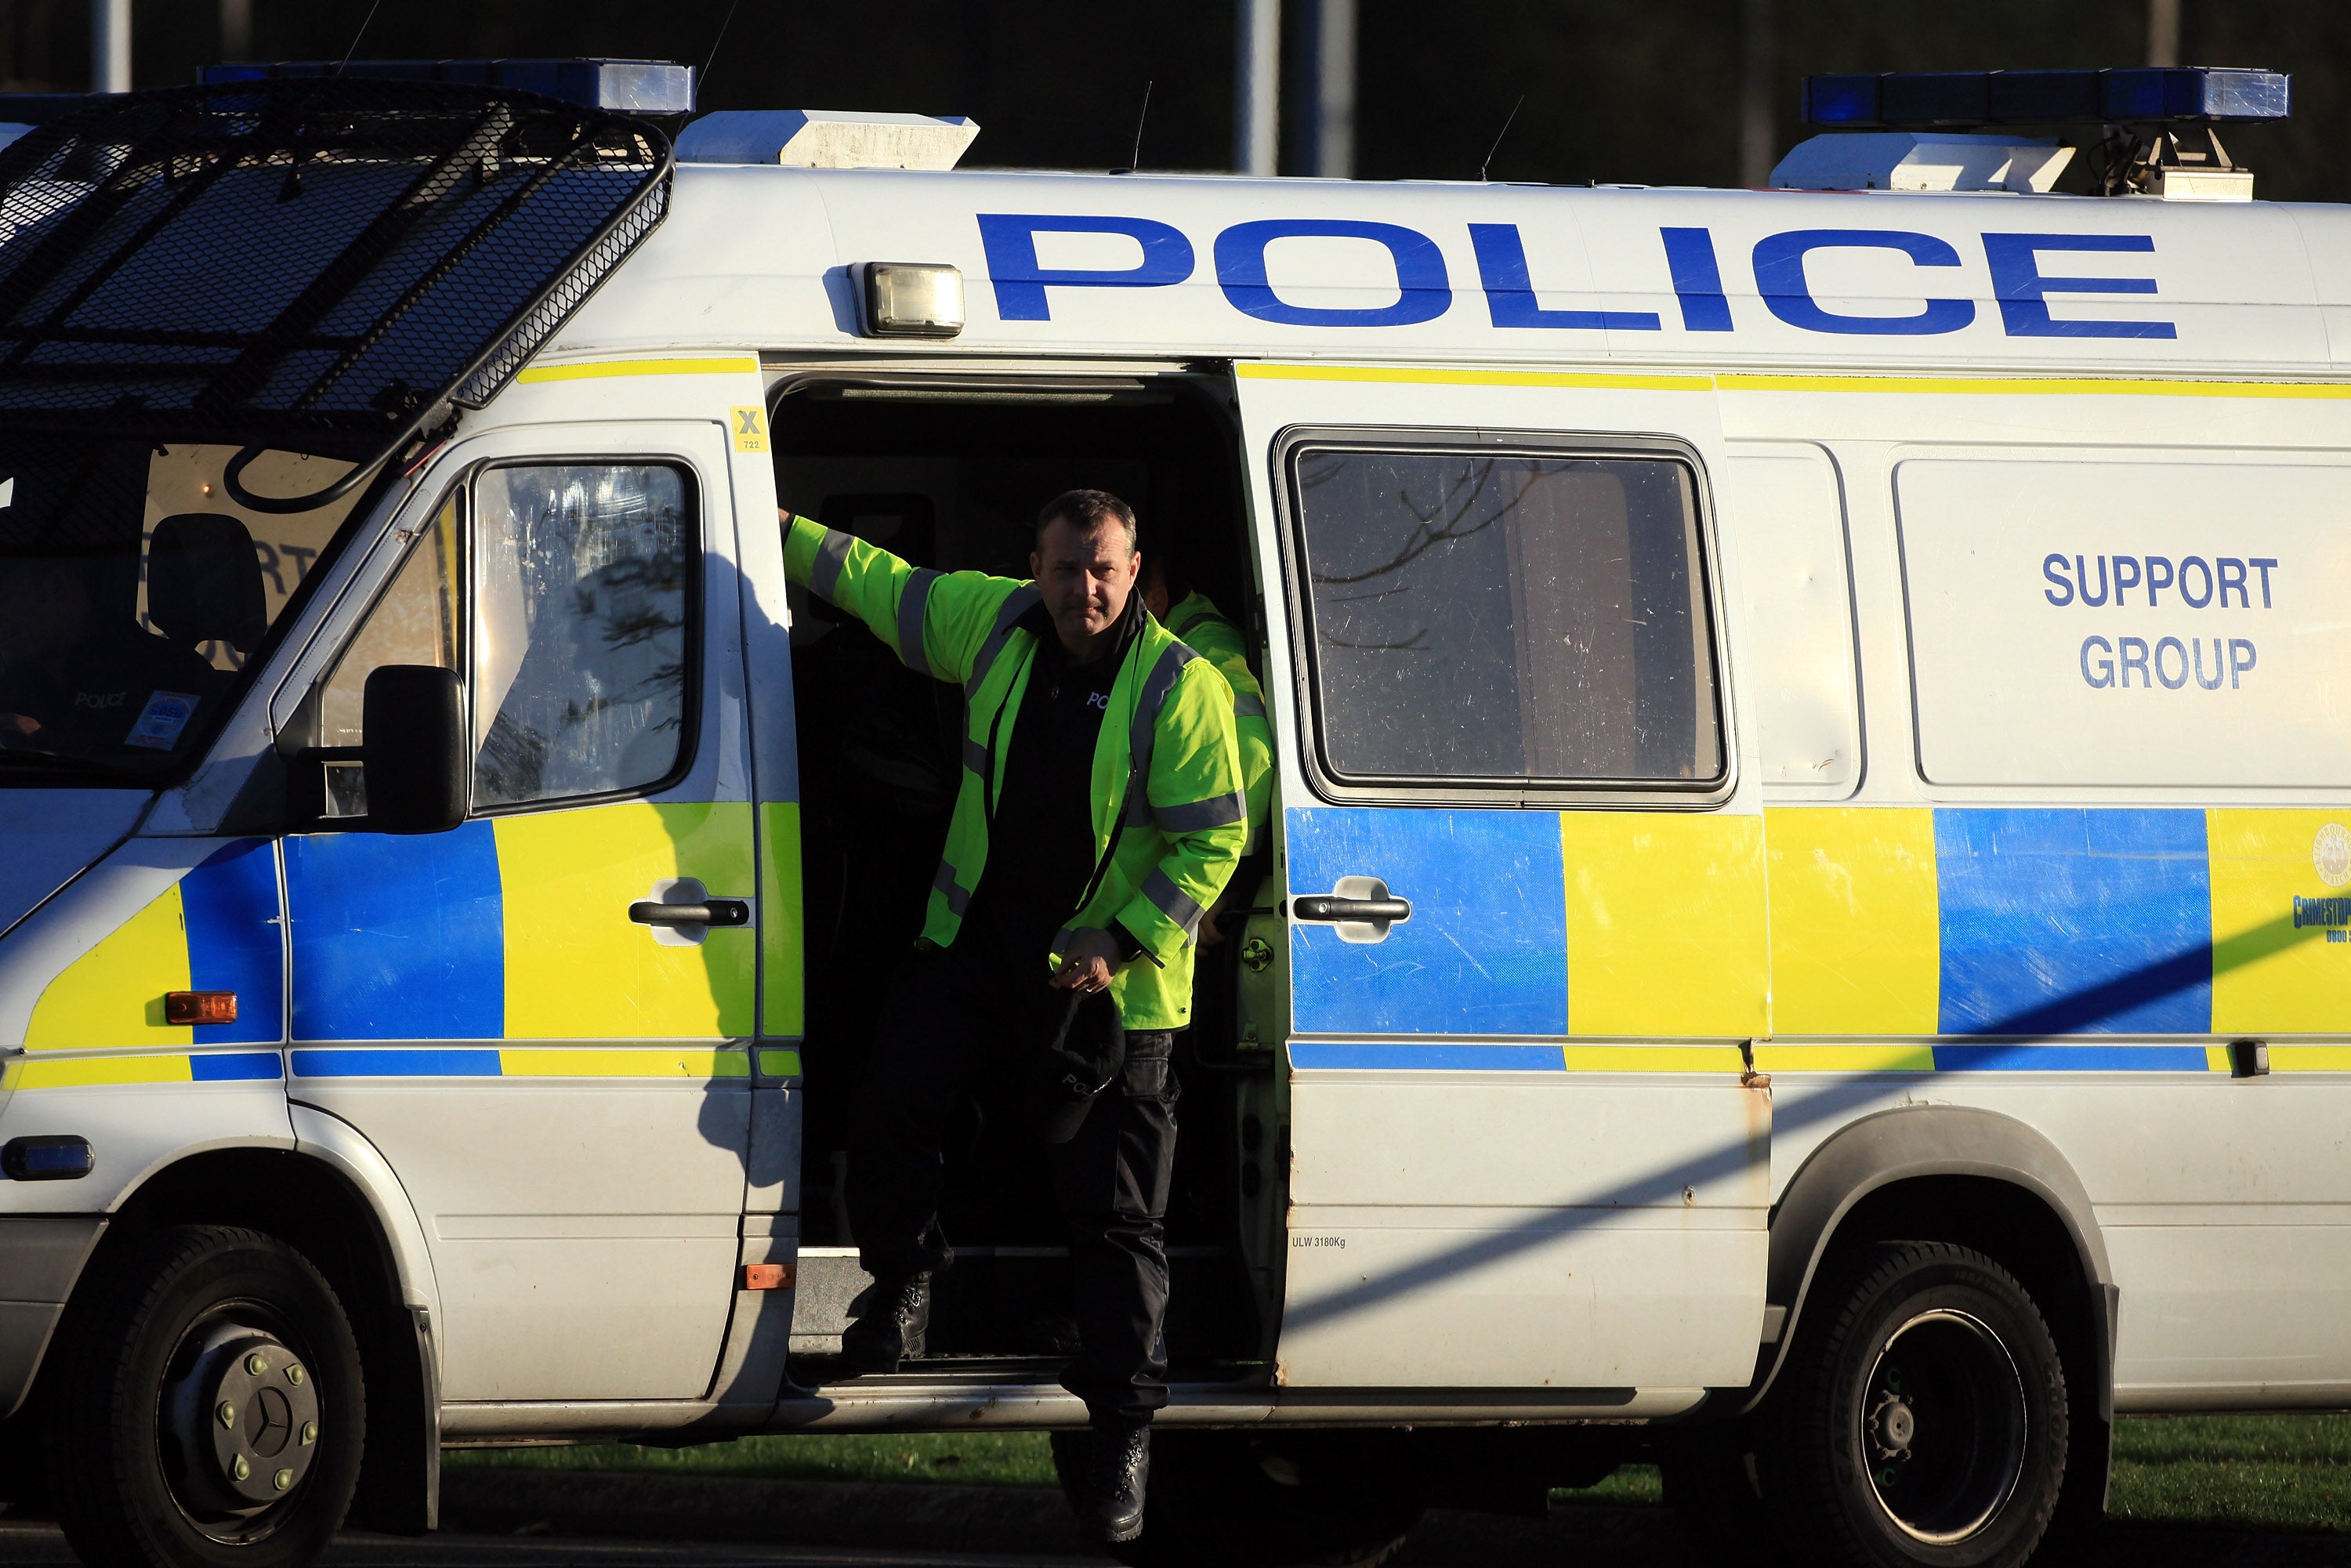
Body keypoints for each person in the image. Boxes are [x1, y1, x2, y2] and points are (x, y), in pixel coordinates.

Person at [780, 490, 1246, 1544]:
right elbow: (885, 589)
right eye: (1068, 567)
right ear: (1032, 568)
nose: (1087, 588)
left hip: (1114, 987)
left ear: (1136, 573)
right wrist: (780, 526)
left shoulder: (1182, 687)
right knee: (894, 1092)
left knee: (1118, 1219)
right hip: (986, 945)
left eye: (1107, 570)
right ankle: (901, 1283)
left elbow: (1212, 844)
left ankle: (1125, 1434)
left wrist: (1118, 938)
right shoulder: (995, 624)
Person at [1141, 556, 1273, 929]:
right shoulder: (1175, 634)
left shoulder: (1205, 646)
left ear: (1156, 602)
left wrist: (1221, 890)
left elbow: (1252, 748)